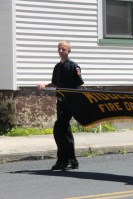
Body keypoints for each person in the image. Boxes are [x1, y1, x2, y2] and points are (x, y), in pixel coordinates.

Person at [37, 40, 84, 171]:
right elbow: (55, 83)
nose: (61, 51)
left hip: (70, 102)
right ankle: (72, 160)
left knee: (58, 129)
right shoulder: (57, 67)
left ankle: (63, 160)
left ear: (69, 51)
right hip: (60, 102)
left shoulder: (73, 66)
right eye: (59, 48)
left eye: (63, 49)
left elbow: (79, 86)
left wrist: (77, 102)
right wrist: (45, 85)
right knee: (65, 131)